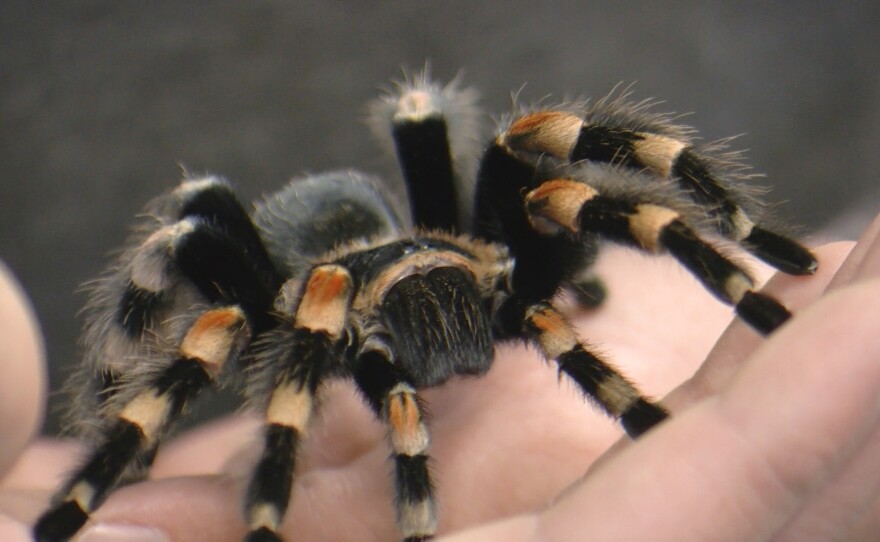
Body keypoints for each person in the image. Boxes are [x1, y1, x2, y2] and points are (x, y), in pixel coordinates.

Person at [1, 214, 878, 541]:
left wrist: (753, 275)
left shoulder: (510, 271)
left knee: (548, 150)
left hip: (445, 253)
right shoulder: (318, 305)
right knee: (184, 249)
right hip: (325, 280)